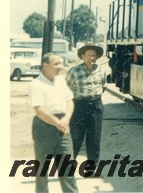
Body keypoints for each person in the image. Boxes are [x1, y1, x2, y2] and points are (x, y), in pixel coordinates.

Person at [31, 53, 79, 193]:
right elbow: (39, 109)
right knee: (42, 170)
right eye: (56, 64)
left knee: (67, 168)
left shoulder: (61, 81)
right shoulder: (36, 84)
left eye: (61, 63)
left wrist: (67, 117)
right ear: (45, 66)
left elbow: (69, 100)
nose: (60, 67)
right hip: (44, 126)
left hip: (63, 125)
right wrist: (59, 123)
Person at [65, 43, 107, 163]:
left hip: (96, 105)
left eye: (94, 55)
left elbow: (103, 86)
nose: (91, 58)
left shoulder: (101, 70)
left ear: (97, 57)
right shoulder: (74, 71)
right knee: (76, 137)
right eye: (88, 55)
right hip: (79, 106)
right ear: (83, 56)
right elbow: (66, 90)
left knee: (94, 138)